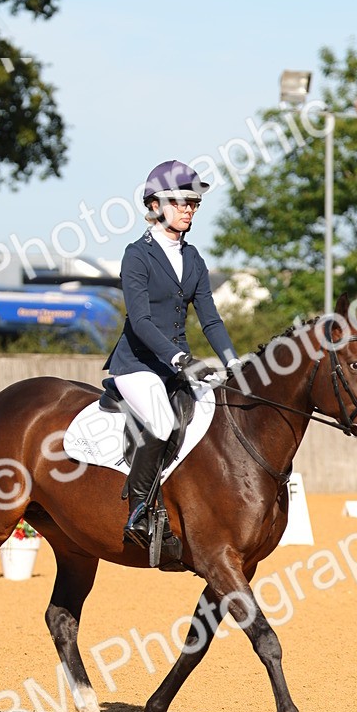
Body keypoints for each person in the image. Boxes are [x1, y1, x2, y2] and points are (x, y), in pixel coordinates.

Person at [104, 159, 241, 558]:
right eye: (180, 202)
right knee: (162, 420)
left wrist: (234, 362)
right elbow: (141, 321)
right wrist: (179, 358)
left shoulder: (194, 258)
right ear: (155, 205)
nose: (188, 209)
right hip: (139, 365)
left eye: (193, 203)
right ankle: (139, 513)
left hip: (176, 367)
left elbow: (211, 319)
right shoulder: (137, 255)